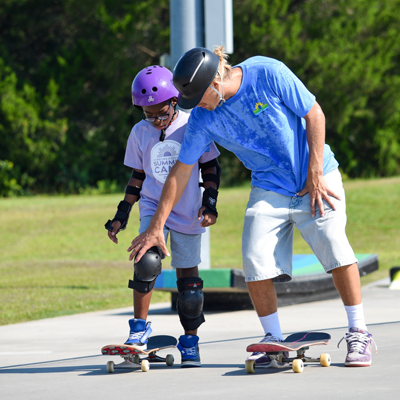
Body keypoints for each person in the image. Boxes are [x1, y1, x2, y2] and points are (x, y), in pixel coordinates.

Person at [127, 47, 377, 368]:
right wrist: (155, 226)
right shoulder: (204, 118)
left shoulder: (266, 73)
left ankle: (358, 331)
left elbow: (313, 113)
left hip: (315, 175)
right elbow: (181, 170)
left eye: (201, 97)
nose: (198, 107)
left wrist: (315, 172)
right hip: (269, 186)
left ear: (216, 80)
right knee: (254, 257)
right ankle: (272, 338)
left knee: (333, 245)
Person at [105, 65, 221, 367]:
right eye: (148, 115)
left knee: (189, 284)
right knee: (146, 262)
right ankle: (138, 331)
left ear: (174, 102)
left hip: (187, 211)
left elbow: (211, 168)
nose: (156, 120)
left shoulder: (193, 124)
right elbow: (137, 177)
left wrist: (209, 203)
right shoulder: (140, 132)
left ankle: (191, 341)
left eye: (161, 114)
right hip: (151, 208)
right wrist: (122, 213)